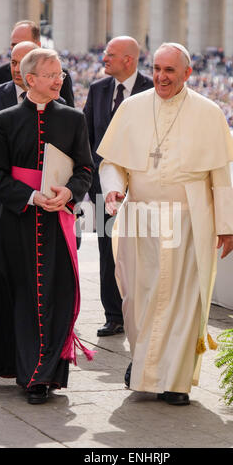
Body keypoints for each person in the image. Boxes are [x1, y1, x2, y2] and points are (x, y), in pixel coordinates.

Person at [97, 43, 233, 405]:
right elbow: (112, 163)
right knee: (137, 298)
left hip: (189, 220)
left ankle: (175, 381)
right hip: (141, 217)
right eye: (157, 68)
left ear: (187, 73)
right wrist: (113, 191)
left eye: (170, 71)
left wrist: (226, 225)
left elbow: (219, 177)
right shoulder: (132, 107)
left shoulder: (208, 113)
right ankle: (143, 363)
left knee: (182, 300)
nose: (161, 76)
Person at [0, 48, 94, 404]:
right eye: (51, 75)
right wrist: (32, 197)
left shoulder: (74, 119)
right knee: (24, 298)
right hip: (17, 223)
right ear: (30, 79)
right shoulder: (3, 120)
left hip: (58, 222)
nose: (59, 79)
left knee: (55, 295)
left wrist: (69, 192)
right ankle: (29, 372)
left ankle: (46, 375)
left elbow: (86, 170)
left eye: (60, 73)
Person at [84, 36, 153, 337]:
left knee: (142, 251)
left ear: (129, 59)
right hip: (103, 189)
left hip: (142, 189)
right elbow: (86, 136)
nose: (104, 59)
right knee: (106, 251)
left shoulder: (153, 89)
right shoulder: (98, 89)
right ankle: (113, 315)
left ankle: (141, 311)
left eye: (110, 54)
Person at [0, 41, 40, 301]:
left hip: (38, 199)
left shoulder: (53, 99)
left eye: (23, 62)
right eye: (13, 62)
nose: (16, 68)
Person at [0, 20, 75, 107]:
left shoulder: (58, 76)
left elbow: (69, 116)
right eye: (14, 44)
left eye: (23, 43)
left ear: (38, 46)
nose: (18, 48)